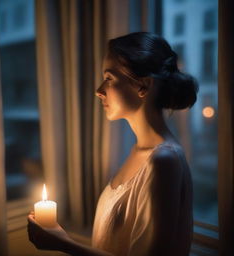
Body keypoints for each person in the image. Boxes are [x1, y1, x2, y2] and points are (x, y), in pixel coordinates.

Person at [27, 32, 198, 256]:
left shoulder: (164, 161)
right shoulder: (140, 152)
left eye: (109, 78)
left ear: (143, 85)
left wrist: (63, 243)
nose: (99, 91)